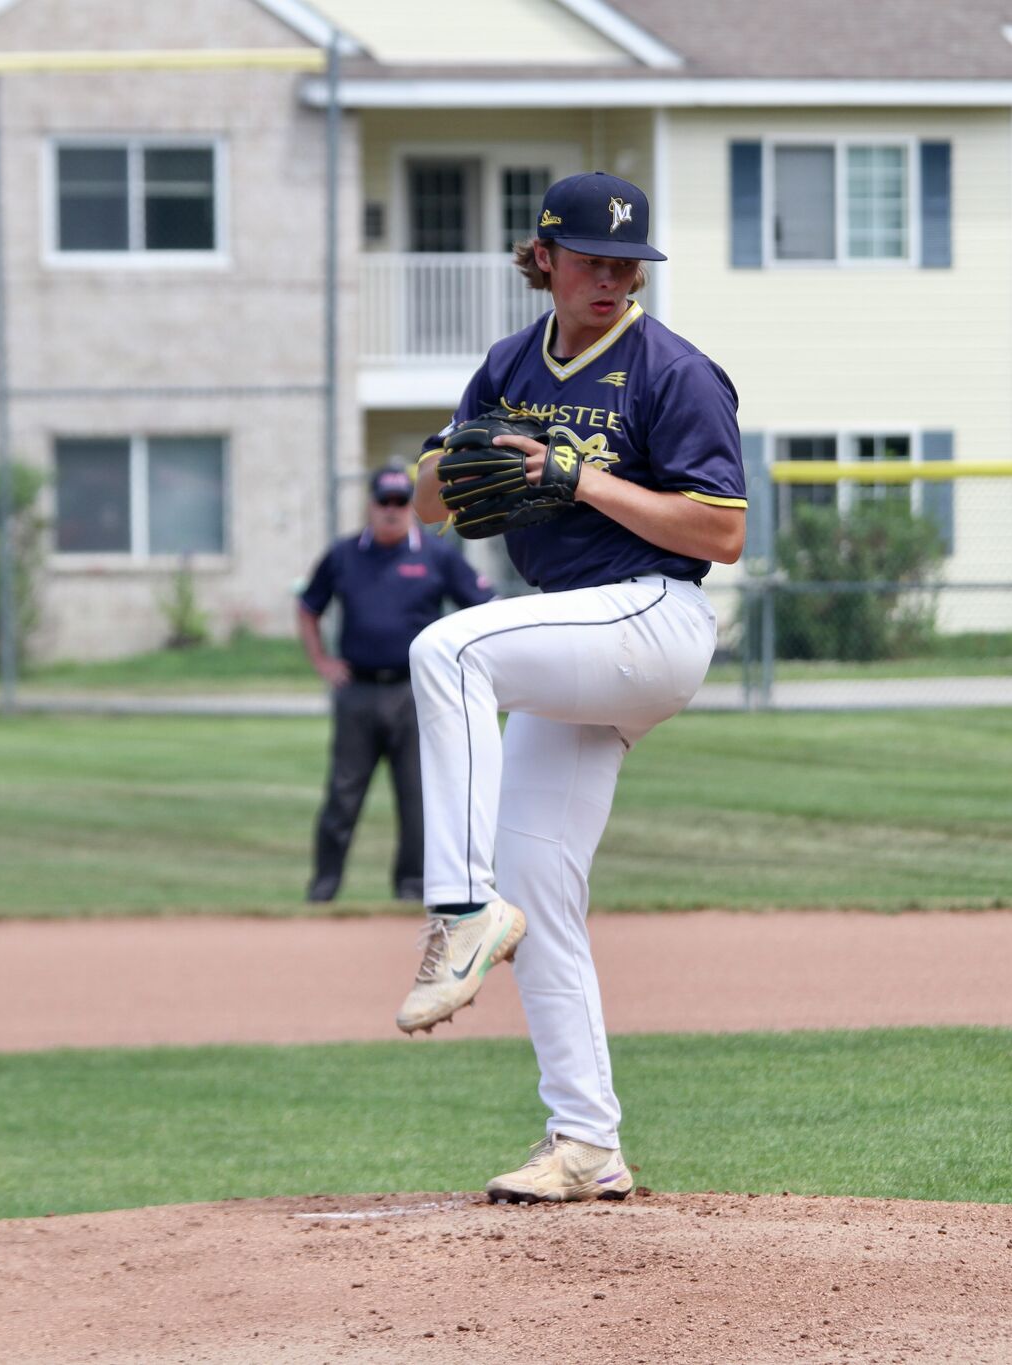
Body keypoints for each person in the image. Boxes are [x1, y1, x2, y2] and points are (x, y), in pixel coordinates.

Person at [395, 171, 746, 1203]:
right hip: (577, 647)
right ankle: (586, 1140)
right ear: (541, 257)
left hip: (653, 619)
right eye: (591, 256)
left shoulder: (673, 372)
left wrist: (573, 477)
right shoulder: (509, 364)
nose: (612, 275)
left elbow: (721, 531)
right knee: (541, 887)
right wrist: (461, 457)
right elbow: (427, 503)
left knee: (448, 652)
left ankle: (458, 910)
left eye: (627, 261)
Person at [296, 465, 493, 903]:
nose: (392, 510)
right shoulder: (344, 555)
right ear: (370, 504)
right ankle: (323, 889)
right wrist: (322, 661)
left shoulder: (436, 556)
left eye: (400, 501)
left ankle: (411, 888)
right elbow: (309, 606)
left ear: (410, 504)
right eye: (383, 501)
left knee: (417, 796)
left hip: (415, 693)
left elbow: (483, 606)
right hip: (358, 691)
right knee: (342, 796)